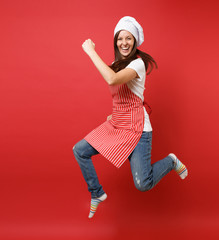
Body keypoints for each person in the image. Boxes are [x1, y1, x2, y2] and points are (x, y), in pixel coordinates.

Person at [73, 16, 188, 219]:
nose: (124, 43)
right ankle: (97, 193)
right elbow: (119, 93)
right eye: (120, 39)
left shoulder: (138, 64)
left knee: (143, 184)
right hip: (119, 123)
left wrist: (91, 51)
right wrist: (115, 114)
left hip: (138, 128)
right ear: (116, 42)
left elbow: (112, 79)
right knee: (80, 150)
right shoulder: (114, 64)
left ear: (135, 42)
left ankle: (170, 161)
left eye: (128, 38)